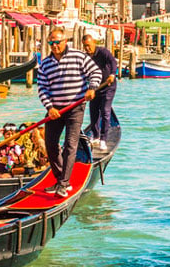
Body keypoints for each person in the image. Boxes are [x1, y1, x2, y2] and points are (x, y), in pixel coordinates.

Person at [37, 28, 101, 197]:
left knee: (70, 144)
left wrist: (92, 88)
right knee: (50, 145)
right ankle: (60, 179)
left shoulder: (78, 56)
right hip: (55, 110)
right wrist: (50, 107)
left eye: (57, 42)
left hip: (75, 107)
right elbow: (42, 88)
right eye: (51, 43)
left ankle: (64, 184)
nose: (54, 46)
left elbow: (95, 72)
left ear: (65, 41)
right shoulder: (45, 64)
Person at [82, 34, 118, 150]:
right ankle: (96, 136)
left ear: (93, 42)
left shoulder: (103, 52)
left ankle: (103, 139)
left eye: (88, 45)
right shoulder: (86, 57)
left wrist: (112, 74)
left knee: (105, 112)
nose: (87, 48)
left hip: (108, 86)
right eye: (85, 46)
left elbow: (113, 62)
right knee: (93, 112)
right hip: (94, 88)